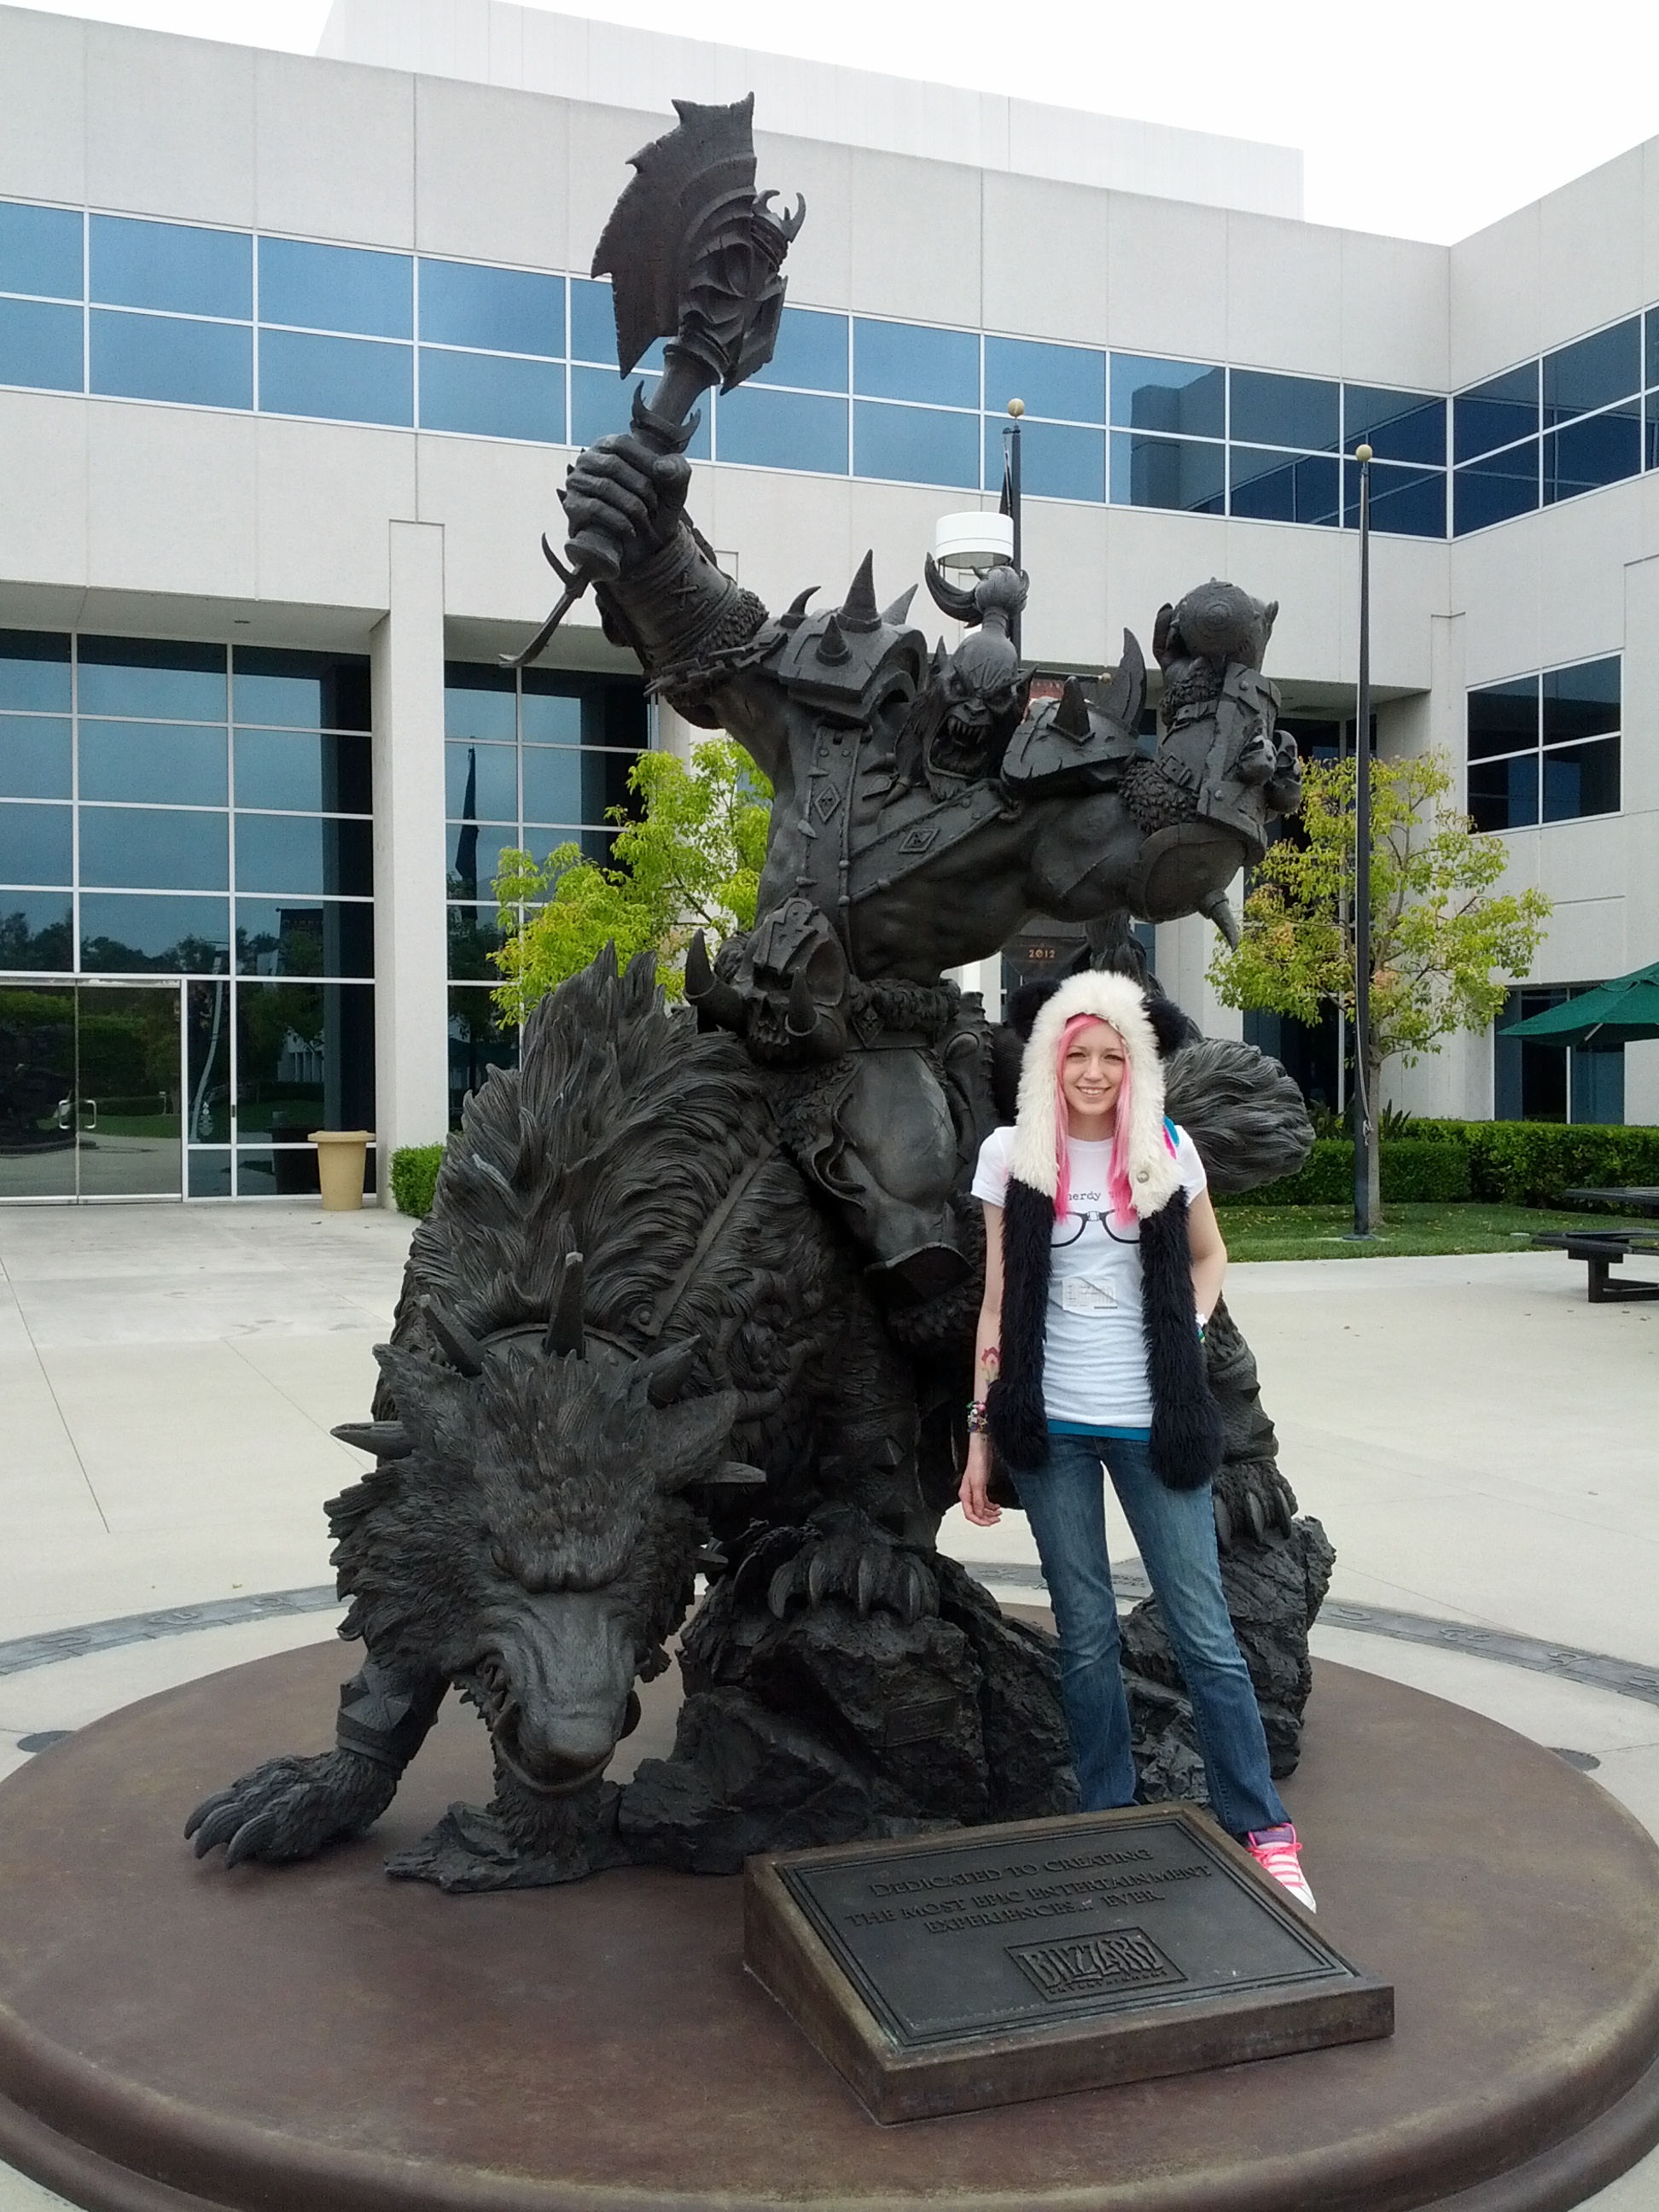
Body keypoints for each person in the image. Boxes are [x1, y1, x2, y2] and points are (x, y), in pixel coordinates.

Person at [958, 968, 1315, 1912]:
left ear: (1136, 1065)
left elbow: (1210, 1254)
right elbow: (997, 1301)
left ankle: (1263, 1826)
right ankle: (1107, 1815)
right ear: (1049, 1058)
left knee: (1206, 1633)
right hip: (1053, 1427)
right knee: (1084, 1638)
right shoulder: (1011, 1154)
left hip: (1155, 1423)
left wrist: (1186, 1331)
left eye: (1112, 1056)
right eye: (1076, 1053)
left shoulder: (1165, 1149)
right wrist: (980, 1436)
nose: (1093, 1071)